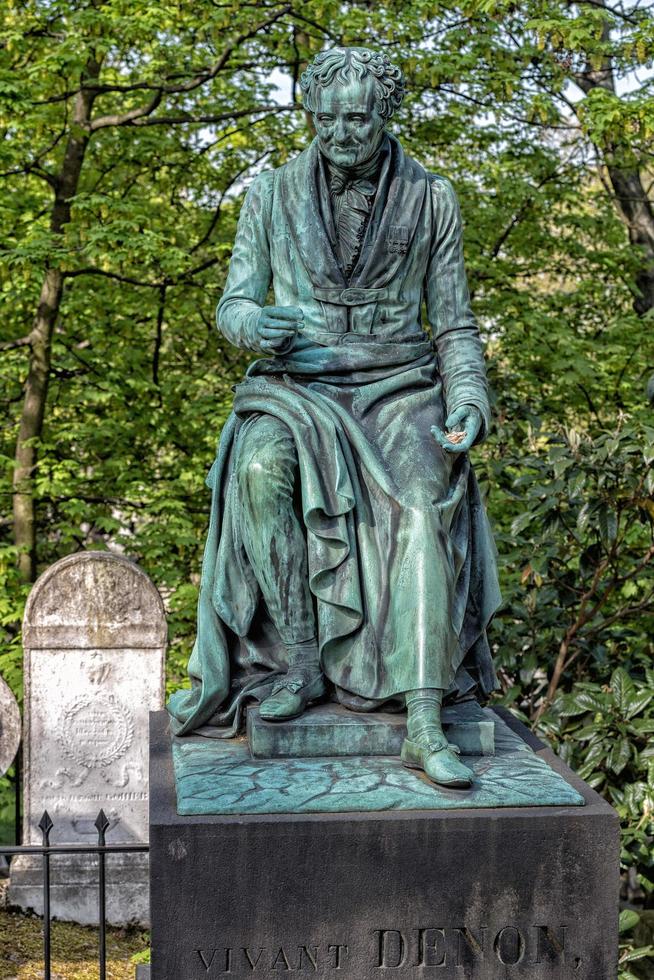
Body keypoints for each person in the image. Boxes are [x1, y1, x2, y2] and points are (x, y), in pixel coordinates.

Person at [168, 47, 501, 788]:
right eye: (329, 118)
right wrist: (252, 326)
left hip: (400, 387)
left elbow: (454, 325)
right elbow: (234, 301)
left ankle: (422, 717)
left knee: (420, 505)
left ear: (386, 114)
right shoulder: (270, 194)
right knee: (258, 467)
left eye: (358, 118)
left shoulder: (432, 197)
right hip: (297, 388)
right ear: (311, 114)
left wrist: (470, 398)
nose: (343, 133)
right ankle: (300, 658)